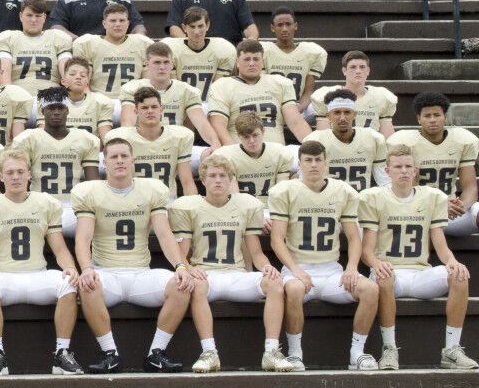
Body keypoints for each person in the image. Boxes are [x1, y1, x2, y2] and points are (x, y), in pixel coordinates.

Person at [71, 138, 198, 373]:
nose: (119, 161)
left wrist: (181, 266)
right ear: (104, 162)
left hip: (141, 274)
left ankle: (156, 353)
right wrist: (87, 269)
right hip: (106, 272)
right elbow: (83, 238)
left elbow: (163, 234)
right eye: (113, 157)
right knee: (86, 285)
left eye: (123, 156)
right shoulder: (90, 192)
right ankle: (110, 353)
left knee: (181, 285)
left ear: (133, 161)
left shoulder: (151, 189)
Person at [360, 144, 478, 370]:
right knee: (384, 276)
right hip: (389, 274)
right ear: (387, 171)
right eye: (398, 167)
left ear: (415, 170)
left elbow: (439, 243)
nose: (403, 171)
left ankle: (452, 350)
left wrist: (452, 262)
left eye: (408, 167)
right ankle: (389, 348)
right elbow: (367, 251)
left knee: (459, 275)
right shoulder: (374, 197)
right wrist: (376, 264)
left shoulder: (432, 196)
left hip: (420, 273)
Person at [170, 156, 291, 373]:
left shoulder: (246, 205)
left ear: (230, 180)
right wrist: (189, 268)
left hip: (237, 273)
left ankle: (271, 352)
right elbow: (181, 254)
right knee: (196, 285)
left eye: (222, 176)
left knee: (274, 283)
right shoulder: (189, 207)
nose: (218, 180)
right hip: (207, 274)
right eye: (212, 176)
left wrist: (266, 266)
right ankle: (209, 352)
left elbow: (256, 253)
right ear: (203, 180)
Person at [0, 149, 83, 376]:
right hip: (3, 275)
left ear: (29, 174)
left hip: (37, 274)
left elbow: (59, 247)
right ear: (0, 177)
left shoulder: (45, 203)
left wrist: (70, 267)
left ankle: (62, 353)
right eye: (9, 172)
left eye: (20, 171)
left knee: (68, 283)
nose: (15, 177)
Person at [268, 140, 379, 371]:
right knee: (295, 289)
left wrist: (351, 267)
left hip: (331, 270)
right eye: (308, 160)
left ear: (326, 163)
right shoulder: (284, 191)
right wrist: (297, 271)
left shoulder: (343, 191)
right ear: (299, 164)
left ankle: (356, 352)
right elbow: (276, 239)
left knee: (370, 289)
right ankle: (295, 354)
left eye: (318, 160)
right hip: (297, 268)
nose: (314, 165)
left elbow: (354, 238)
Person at [11, 87, 101, 237]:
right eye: (51, 108)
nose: (57, 112)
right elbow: (20, 181)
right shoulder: (28, 139)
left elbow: (93, 183)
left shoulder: (84, 139)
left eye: (61, 108)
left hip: (74, 207)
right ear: (42, 111)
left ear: (67, 110)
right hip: (39, 205)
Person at [386, 92, 479, 236]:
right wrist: (439, 206)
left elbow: (471, 187)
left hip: (451, 213)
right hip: (416, 210)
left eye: (437, 115)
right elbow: (408, 189)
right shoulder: (405, 142)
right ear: (419, 119)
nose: (432, 120)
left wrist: (462, 206)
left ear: (445, 117)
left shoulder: (462, 140)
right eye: (427, 116)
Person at [118, 43, 221, 161]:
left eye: (166, 62)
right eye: (157, 62)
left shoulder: (186, 90)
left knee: (214, 155)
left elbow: (201, 123)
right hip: (143, 145)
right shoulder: (132, 88)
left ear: (172, 64)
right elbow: (127, 124)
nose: (162, 67)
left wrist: (215, 143)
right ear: (147, 65)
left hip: (176, 147)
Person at [208, 40, 311, 147]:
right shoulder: (222, 86)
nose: (252, 63)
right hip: (240, 150)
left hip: (277, 153)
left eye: (256, 59)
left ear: (262, 61)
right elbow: (218, 125)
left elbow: (296, 123)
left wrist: (313, 147)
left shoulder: (280, 83)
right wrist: (234, 152)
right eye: (247, 59)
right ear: (237, 62)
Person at [106, 87, 198, 198]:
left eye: (154, 107)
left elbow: (187, 182)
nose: (150, 111)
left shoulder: (178, 136)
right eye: (144, 108)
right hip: (135, 203)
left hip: (166, 202)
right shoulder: (123, 138)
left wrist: (192, 207)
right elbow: (113, 182)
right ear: (136, 112)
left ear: (161, 110)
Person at [304, 88, 388, 192]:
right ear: (328, 116)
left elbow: (384, 182)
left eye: (347, 112)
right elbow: (305, 182)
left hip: (361, 203)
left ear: (354, 115)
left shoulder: (373, 138)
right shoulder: (316, 140)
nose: (342, 118)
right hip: (330, 204)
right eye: (337, 113)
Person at [209, 112, 296, 208]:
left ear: (263, 131)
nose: (252, 141)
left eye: (255, 135)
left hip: (271, 209)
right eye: (246, 137)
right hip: (241, 210)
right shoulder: (227, 156)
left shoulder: (279, 153)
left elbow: (280, 194)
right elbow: (235, 198)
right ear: (238, 136)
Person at [72, 3, 153, 102]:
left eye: (122, 20)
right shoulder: (89, 44)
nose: (117, 24)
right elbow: (84, 83)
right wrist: (92, 103)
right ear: (104, 24)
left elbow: (147, 82)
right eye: (113, 21)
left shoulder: (142, 43)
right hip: (100, 100)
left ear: (128, 24)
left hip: (132, 101)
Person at [0, 0, 72, 96]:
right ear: (21, 16)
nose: (33, 20)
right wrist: (11, 98)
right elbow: (4, 74)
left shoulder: (57, 37)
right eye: (29, 15)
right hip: (19, 97)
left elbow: (67, 71)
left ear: (44, 17)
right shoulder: (8, 39)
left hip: (52, 99)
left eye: (38, 16)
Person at [311, 51, 397, 137]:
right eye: (353, 67)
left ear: (368, 71)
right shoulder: (328, 96)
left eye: (362, 67)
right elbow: (323, 138)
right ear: (344, 71)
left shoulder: (381, 97)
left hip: (369, 148)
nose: (358, 71)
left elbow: (388, 138)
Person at [261, 7, 326, 120]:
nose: (285, 29)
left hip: (298, 109)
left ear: (295, 26)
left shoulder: (311, 52)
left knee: (328, 104)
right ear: (273, 28)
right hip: (269, 107)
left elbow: (309, 90)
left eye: (288, 24)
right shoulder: (264, 50)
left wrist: (300, 106)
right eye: (280, 25)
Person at [162, 6, 235, 101]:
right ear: (184, 27)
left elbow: (218, 89)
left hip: (210, 103)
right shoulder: (172, 49)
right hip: (181, 102)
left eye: (200, 26)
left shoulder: (223, 48)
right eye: (192, 27)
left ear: (207, 25)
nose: (196, 31)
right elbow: (175, 88)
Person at [50, 57, 114, 141]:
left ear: (87, 82)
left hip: (89, 152)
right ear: (63, 81)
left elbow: (106, 139)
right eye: (72, 74)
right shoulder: (50, 102)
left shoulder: (100, 102)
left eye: (83, 75)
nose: (78, 77)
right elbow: (45, 137)